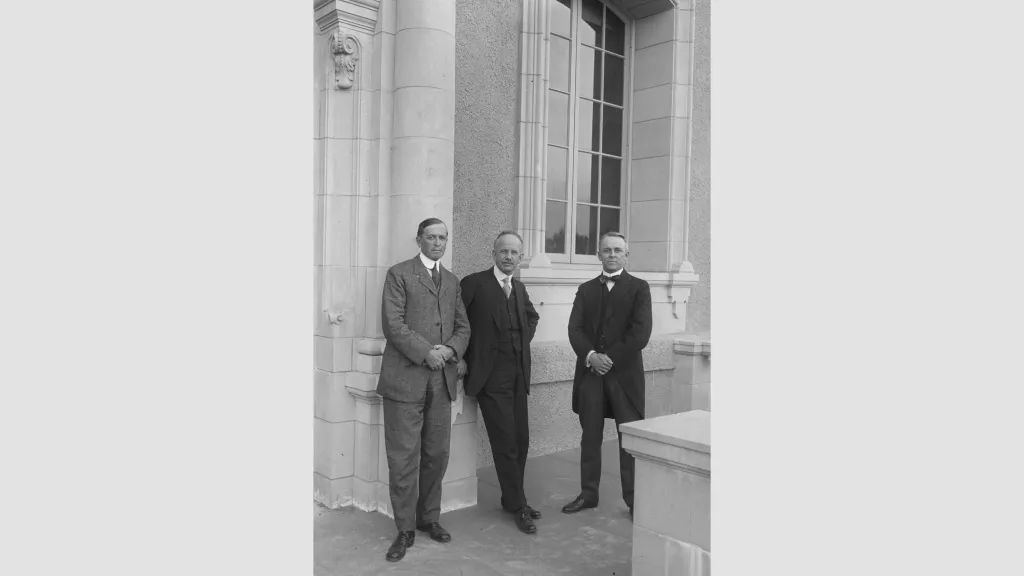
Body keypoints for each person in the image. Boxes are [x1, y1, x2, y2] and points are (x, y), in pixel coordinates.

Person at [376, 217, 471, 562]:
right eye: (431, 237)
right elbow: (393, 324)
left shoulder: (452, 281)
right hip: (405, 379)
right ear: (419, 240)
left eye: (443, 237)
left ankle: (428, 518)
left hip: (441, 380)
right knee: (403, 458)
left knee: (436, 454)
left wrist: (450, 351)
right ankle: (405, 529)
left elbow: (463, 326)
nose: (437, 243)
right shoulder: (399, 274)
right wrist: (426, 352)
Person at [561, 232, 652, 520]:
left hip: (624, 377)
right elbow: (574, 329)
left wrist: (608, 358)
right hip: (591, 374)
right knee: (590, 437)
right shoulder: (585, 289)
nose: (612, 254)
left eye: (617, 250)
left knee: (629, 439)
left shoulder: (639, 288)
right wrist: (591, 356)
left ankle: (635, 500)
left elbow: (640, 333)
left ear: (626, 255)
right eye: (607, 250)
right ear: (598, 255)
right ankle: (588, 494)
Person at [460, 231, 541, 534]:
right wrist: (462, 357)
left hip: (518, 373)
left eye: (514, 253)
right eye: (504, 251)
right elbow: (459, 323)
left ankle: (512, 499)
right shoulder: (474, 283)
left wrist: (520, 341)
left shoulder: (518, 287)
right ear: (493, 253)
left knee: (521, 439)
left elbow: (532, 317)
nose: (509, 257)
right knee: (505, 441)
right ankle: (519, 505)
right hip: (490, 376)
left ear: (520, 258)